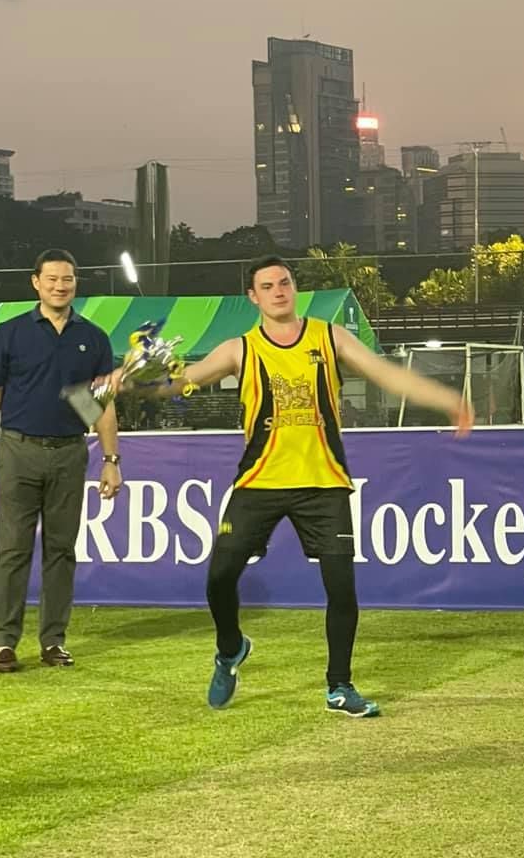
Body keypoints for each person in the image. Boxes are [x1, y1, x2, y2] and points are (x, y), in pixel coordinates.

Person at [113, 255, 472, 716]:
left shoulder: (328, 336)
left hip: (324, 484)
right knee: (220, 578)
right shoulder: (239, 349)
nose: (279, 291)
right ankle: (230, 649)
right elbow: (176, 384)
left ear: (293, 288)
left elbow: (386, 374)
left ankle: (339, 686)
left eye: (284, 282)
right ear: (253, 296)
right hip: (259, 482)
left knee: (342, 588)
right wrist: (130, 381)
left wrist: (445, 398)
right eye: (268, 286)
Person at [0, 249, 122, 673]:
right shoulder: (11, 332)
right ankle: (4, 643)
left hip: (71, 452)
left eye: (68, 279)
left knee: (61, 551)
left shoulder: (92, 337)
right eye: (52, 278)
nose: (61, 285)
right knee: (13, 549)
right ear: (35, 282)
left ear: (76, 283)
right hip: (18, 450)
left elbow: (99, 404)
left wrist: (111, 458)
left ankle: (53, 641)